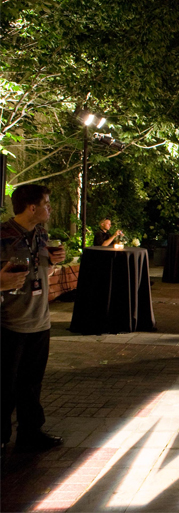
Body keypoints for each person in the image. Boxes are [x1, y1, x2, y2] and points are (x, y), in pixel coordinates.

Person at [1, 185, 67, 452]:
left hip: (39, 320)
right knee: (5, 386)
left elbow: (42, 272)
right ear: (31, 207)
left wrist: (53, 263)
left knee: (31, 384)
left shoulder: (41, 234)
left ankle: (30, 433)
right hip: (10, 322)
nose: (49, 208)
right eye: (46, 203)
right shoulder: (2, 235)